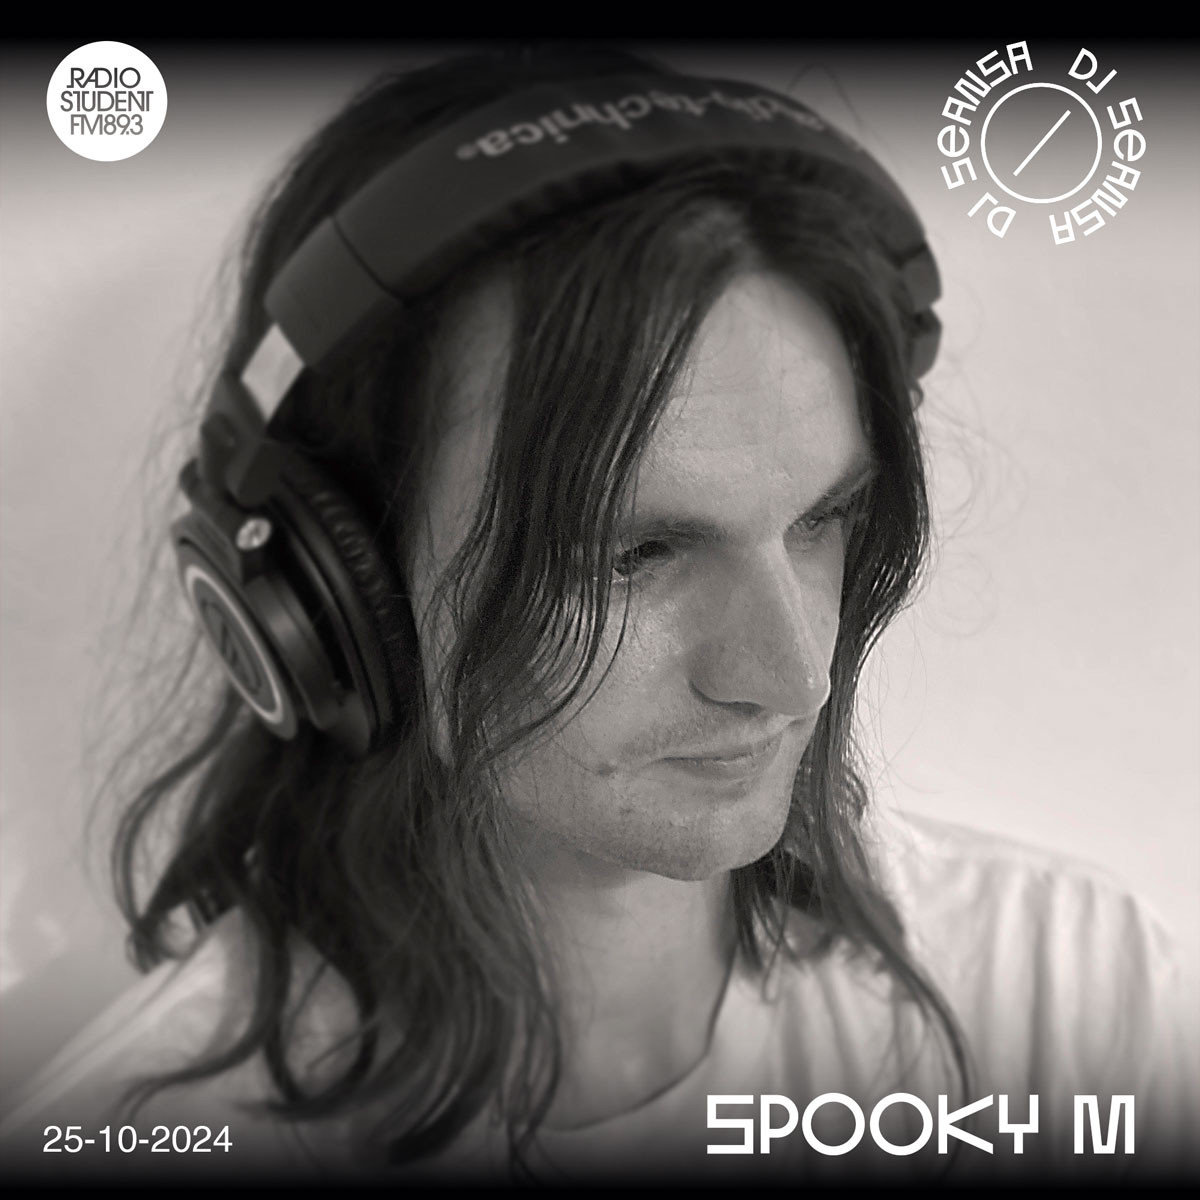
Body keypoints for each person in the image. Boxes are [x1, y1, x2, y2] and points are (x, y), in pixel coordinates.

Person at [1, 43, 1195, 1186]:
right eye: (637, 553)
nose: (793, 676)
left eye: (822, 518)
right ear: (320, 601)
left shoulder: (1077, 1004)